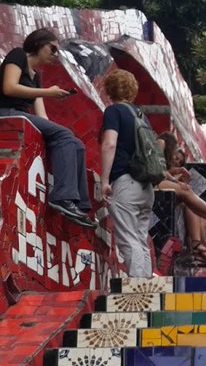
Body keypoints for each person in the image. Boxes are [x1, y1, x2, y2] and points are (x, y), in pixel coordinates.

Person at [0, 28, 94, 226]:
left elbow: (42, 115)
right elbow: (9, 87)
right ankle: (62, 197)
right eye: (52, 48)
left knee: (76, 143)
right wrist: (49, 93)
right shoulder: (17, 55)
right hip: (6, 112)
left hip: (22, 115)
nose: (54, 54)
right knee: (64, 135)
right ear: (39, 43)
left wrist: (47, 98)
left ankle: (81, 205)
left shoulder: (36, 77)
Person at [99, 68, 157, 278]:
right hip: (146, 187)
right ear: (133, 90)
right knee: (140, 238)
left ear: (109, 90)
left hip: (125, 182)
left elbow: (109, 144)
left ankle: (136, 293)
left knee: (128, 239)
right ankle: (147, 289)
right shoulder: (140, 115)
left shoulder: (114, 112)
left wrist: (105, 179)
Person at [157, 132, 206, 265]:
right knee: (189, 197)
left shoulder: (166, 163)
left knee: (192, 204)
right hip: (152, 189)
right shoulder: (159, 146)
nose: (176, 159)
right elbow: (158, 171)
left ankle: (202, 248)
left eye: (179, 159)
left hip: (161, 189)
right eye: (175, 155)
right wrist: (176, 179)